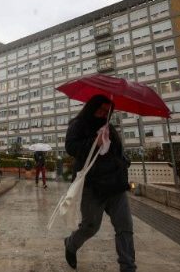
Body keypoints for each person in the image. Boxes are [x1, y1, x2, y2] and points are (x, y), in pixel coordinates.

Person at [63, 95, 135, 272]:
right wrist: (95, 142)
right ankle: (71, 244)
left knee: (125, 226)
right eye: (100, 110)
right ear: (91, 107)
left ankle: (128, 267)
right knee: (90, 227)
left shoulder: (109, 127)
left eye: (107, 112)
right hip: (91, 187)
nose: (103, 114)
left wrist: (124, 162)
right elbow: (71, 148)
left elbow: (117, 152)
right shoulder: (78, 124)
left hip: (116, 185)